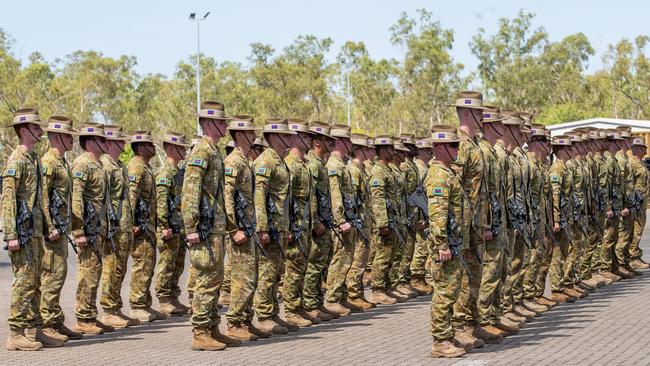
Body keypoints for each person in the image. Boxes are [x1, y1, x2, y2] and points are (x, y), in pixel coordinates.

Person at [3, 109, 49, 350]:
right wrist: (10, 234)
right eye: (36, 128)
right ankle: (15, 333)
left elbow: (41, 199)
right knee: (23, 281)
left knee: (36, 280)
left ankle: (34, 330)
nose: (41, 131)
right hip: (21, 232)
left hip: (35, 231)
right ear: (23, 131)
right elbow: (8, 199)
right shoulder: (17, 161)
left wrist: (47, 226)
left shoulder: (34, 159)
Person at [223, 115, 270, 341]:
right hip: (239, 230)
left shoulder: (246, 162)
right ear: (240, 135)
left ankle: (245, 321)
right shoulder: (233, 162)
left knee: (251, 276)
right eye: (251, 133)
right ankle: (234, 323)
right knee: (242, 279)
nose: (254, 136)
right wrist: (233, 229)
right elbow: (227, 196)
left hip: (248, 227)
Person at [450, 91, 490, 350]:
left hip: (475, 222)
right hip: (462, 223)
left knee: (475, 273)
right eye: (478, 112)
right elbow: (453, 184)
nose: (482, 117)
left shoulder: (474, 144)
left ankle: (472, 323)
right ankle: (459, 326)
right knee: (462, 276)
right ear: (467, 113)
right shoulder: (460, 145)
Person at [40, 116, 84, 342]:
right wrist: (49, 226)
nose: (71, 139)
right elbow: (43, 197)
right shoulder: (48, 162)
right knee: (51, 277)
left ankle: (55, 321)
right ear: (57, 137)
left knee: (59, 276)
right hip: (52, 232)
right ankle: (47, 325)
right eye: (68, 136)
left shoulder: (62, 161)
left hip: (61, 229)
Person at [251, 118, 296, 334]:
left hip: (280, 226)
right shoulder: (265, 161)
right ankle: (264, 315)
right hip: (269, 228)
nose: (289, 139)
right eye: (285, 136)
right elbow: (259, 195)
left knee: (276, 272)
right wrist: (262, 227)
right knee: (267, 273)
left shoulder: (279, 161)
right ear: (272, 137)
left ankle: (273, 313)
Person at [426, 124, 467, 359]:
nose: (457, 149)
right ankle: (440, 341)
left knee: (450, 290)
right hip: (445, 244)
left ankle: (446, 336)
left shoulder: (448, 172)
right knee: (444, 291)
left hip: (453, 241)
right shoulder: (439, 176)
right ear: (439, 147)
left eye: (458, 144)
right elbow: (438, 213)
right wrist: (442, 244)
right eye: (453, 145)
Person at [71, 123, 112, 335]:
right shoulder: (82, 164)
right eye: (102, 140)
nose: (106, 143)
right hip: (87, 230)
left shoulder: (99, 165)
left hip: (98, 229)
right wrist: (78, 231)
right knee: (87, 273)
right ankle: (83, 318)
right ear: (90, 142)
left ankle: (90, 315)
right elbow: (76, 198)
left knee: (95, 273)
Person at [99, 125, 138, 329]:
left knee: (120, 268)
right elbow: (102, 199)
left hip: (124, 224)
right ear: (112, 143)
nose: (124, 144)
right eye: (121, 141)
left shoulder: (119, 165)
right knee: (111, 268)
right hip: (114, 226)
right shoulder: (105, 166)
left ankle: (115, 307)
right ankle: (108, 310)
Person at [127, 131, 166, 322]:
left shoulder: (145, 166)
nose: (153, 147)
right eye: (150, 145)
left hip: (147, 226)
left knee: (148, 265)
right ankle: (137, 306)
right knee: (141, 265)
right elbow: (132, 196)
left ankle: (145, 303)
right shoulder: (136, 167)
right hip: (140, 227)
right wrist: (133, 223)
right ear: (141, 147)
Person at [283, 119, 318, 325]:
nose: (309, 140)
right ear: (294, 138)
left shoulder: (302, 165)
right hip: (294, 227)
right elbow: (285, 199)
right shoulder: (291, 165)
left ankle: (299, 306)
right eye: (305, 136)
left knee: (301, 268)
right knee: (293, 269)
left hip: (304, 226)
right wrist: (288, 226)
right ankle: (290, 310)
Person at [302, 121, 338, 321]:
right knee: (314, 264)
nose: (331, 143)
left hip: (324, 221)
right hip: (318, 225)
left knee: (321, 263)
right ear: (317, 141)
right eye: (327, 140)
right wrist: (315, 222)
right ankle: (310, 303)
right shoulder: (314, 165)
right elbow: (312, 197)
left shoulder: (320, 163)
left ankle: (316, 302)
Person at [154, 132, 192, 317]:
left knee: (178, 264)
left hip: (179, 226)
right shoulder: (165, 173)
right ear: (170, 148)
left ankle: (173, 297)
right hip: (169, 227)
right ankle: (164, 299)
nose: (184, 150)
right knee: (167, 264)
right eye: (181, 147)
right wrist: (163, 226)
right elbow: (161, 202)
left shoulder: (179, 173)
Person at [324, 124, 359, 316]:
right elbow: (335, 195)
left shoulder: (342, 164)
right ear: (338, 142)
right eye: (346, 141)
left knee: (346, 259)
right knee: (339, 260)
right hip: (341, 222)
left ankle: (341, 297)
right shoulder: (334, 166)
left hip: (347, 219)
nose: (349, 144)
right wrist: (340, 219)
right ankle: (332, 299)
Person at [345, 132, 376, 310]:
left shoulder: (361, 170)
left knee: (362, 259)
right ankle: (354, 294)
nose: (370, 152)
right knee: (357, 261)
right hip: (358, 223)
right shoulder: (354, 171)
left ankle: (358, 293)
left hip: (364, 222)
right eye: (366, 149)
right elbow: (353, 199)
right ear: (358, 150)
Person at [368, 135, 400, 305]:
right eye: (391, 148)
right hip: (384, 222)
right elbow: (378, 198)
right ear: (383, 150)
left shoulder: (387, 169)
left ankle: (386, 288)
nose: (394, 151)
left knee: (389, 255)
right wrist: (382, 222)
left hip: (392, 219)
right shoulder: (378, 171)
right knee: (382, 256)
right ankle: (377, 290)